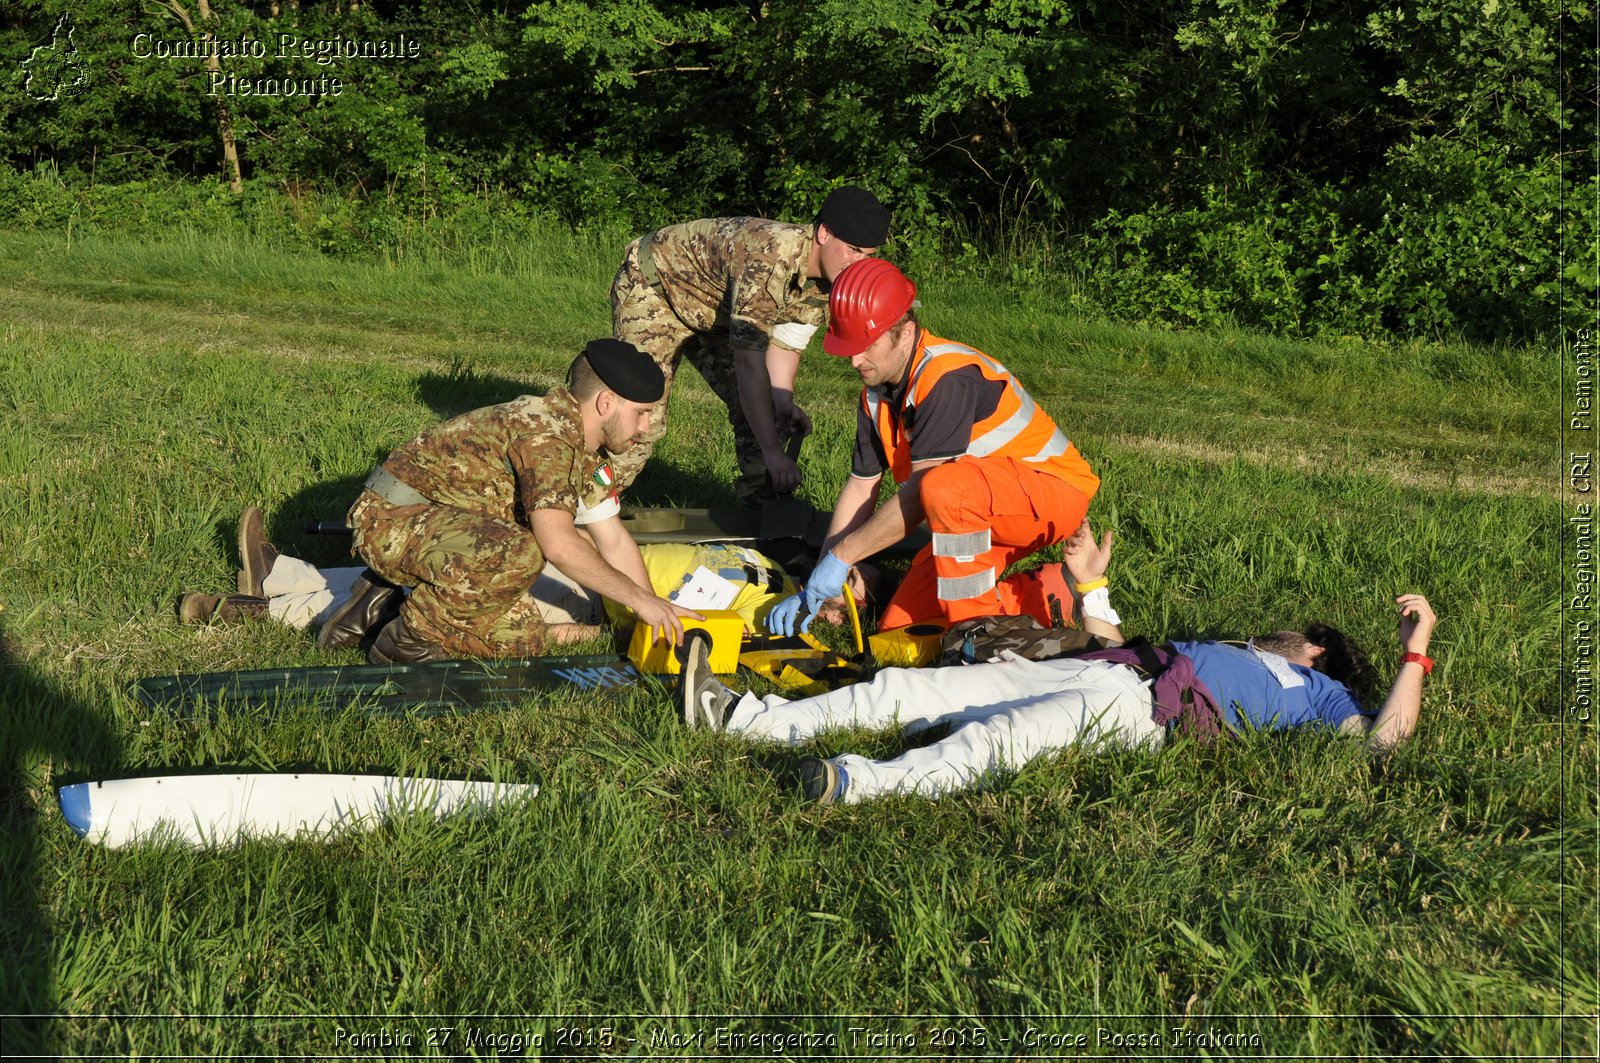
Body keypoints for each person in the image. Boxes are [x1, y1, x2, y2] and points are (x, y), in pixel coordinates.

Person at [683, 518, 1439, 804]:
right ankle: (747, 719)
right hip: (1111, 671)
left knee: (996, 740)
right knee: (909, 688)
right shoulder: (1232, 650)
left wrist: (1417, 649)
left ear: (1320, 654)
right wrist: (1091, 583)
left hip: (1139, 714)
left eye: (1299, 636)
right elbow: (1115, 643)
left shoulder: (1322, 699)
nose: (1278, 634)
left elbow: (1388, 741)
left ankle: (859, 783)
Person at [766, 258, 1101, 638]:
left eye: (867, 345)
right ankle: (1060, 590)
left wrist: (843, 557)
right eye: (850, 347)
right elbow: (861, 488)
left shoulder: (946, 377)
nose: (855, 360)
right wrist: (820, 574)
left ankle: (975, 635)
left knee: (941, 487)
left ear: (906, 333)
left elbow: (921, 497)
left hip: (1052, 495)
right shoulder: (874, 397)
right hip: (980, 510)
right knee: (902, 627)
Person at [343, 339, 703, 664]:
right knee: (524, 551)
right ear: (606, 402)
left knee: (523, 640)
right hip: (389, 521)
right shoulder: (547, 434)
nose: (646, 428)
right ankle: (407, 640)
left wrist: (648, 615)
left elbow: (613, 540)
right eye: (641, 413)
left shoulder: (584, 447)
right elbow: (558, 545)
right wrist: (641, 603)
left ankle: (382, 603)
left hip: (437, 529)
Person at [609, 185, 891, 503]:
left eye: (867, 256)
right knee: (640, 416)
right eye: (853, 249)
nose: (858, 265)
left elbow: (785, 345)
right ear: (824, 233)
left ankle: (760, 514)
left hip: (715, 311)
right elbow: (749, 362)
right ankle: (581, 506)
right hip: (655, 288)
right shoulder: (771, 257)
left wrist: (782, 404)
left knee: (768, 413)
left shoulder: (832, 280)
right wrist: (772, 451)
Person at [180, 518, 874, 645]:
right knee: (436, 562)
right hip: (598, 564)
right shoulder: (782, 566)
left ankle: (250, 608)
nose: (841, 595)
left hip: (594, 602)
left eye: (848, 607)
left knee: (422, 601)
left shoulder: (775, 620)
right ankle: (282, 574)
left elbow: (697, 640)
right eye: (850, 580)